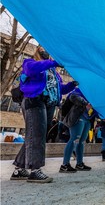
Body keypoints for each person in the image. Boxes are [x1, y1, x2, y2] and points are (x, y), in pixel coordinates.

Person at [10, 46, 77, 183]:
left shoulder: (53, 72)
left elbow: (60, 89)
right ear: (38, 50)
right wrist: (54, 62)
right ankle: (35, 170)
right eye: (42, 48)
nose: (46, 50)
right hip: (34, 100)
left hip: (49, 103)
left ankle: (19, 169)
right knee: (37, 135)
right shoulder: (30, 62)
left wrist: (72, 85)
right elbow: (31, 70)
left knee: (34, 135)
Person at [59, 88, 97, 173]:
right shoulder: (81, 89)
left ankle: (79, 163)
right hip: (78, 117)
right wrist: (86, 103)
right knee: (74, 139)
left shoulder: (93, 93)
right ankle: (65, 165)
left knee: (82, 141)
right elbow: (72, 96)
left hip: (88, 119)